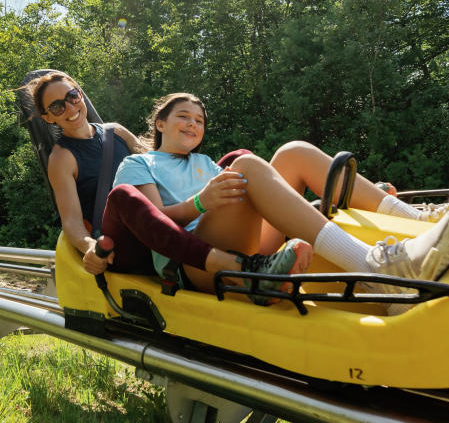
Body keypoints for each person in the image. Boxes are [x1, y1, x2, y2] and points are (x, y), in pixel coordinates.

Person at [112, 92, 449, 293]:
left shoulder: (204, 163)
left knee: (293, 152)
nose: (193, 124)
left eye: (199, 120)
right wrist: (201, 202)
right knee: (247, 166)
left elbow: (261, 202)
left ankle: (418, 218)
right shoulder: (138, 164)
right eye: (183, 116)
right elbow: (156, 221)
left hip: (242, 240)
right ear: (160, 122)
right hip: (198, 261)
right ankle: (373, 267)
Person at [27, 72, 308, 285]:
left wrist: (201, 171)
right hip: (121, 236)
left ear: (80, 94)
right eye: (57, 107)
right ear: (48, 118)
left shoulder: (116, 132)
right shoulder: (62, 158)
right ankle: (241, 267)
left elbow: (160, 161)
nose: (70, 107)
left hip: (159, 222)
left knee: (239, 159)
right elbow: (72, 222)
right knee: (126, 195)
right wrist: (90, 247)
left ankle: (295, 223)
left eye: (72, 97)